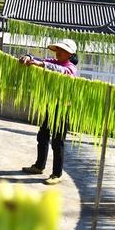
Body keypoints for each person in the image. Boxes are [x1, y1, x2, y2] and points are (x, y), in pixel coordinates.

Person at [20, 38, 78, 185]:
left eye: (62, 50)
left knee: (58, 141)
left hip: (63, 107)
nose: (58, 52)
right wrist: (29, 57)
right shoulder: (53, 61)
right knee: (43, 135)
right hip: (50, 104)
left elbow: (61, 71)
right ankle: (39, 166)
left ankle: (57, 174)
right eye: (58, 49)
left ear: (70, 54)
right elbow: (40, 60)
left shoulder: (70, 67)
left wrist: (42, 64)